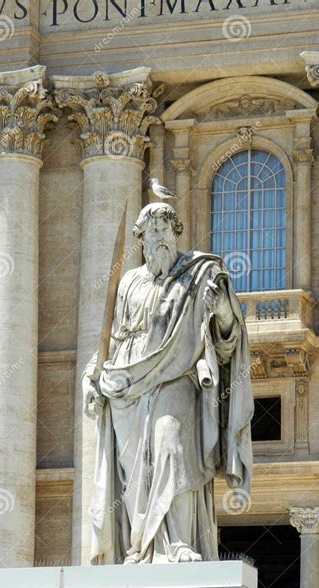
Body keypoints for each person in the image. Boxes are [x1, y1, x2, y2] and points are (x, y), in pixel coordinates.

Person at [83, 202, 253, 564]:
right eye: (150, 232)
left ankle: (176, 542)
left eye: (164, 230)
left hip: (177, 376)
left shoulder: (198, 274)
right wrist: (92, 375)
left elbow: (227, 342)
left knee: (170, 446)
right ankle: (141, 547)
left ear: (176, 233)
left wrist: (222, 309)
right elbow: (112, 337)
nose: (158, 238)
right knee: (133, 471)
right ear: (141, 241)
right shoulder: (129, 282)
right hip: (128, 385)